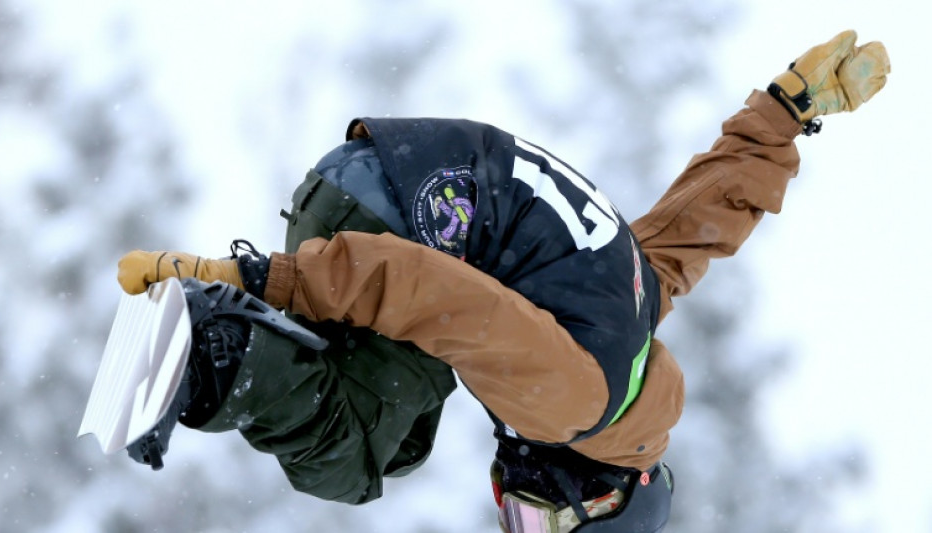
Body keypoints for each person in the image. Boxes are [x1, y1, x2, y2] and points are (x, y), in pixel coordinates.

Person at [114, 31, 889, 532]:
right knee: (358, 455)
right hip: (396, 214)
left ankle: (228, 346)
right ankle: (209, 350)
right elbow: (429, 291)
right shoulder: (574, 404)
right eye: (535, 519)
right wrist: (254, 276)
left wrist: (786, 110)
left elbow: (703, 221)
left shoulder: (628, 313)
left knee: (403, 426)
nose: (509, 500)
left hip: (385, 183)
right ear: (601, 493)